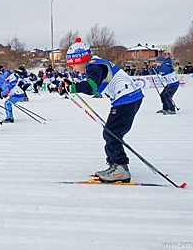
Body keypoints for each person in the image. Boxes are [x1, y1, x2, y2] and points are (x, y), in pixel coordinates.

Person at [59, 38, 144, 183]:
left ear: (80, 60)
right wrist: (72, 86)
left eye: (73, 65)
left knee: (112, 133)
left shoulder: (94, 65)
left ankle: (120, 169)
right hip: (127, 99)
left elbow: (91, 86)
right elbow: (93, 89)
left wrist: (71, 88)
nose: (73, 69)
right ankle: (114, 165)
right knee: (110, 132)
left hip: (126, 99)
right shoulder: (95, 64)